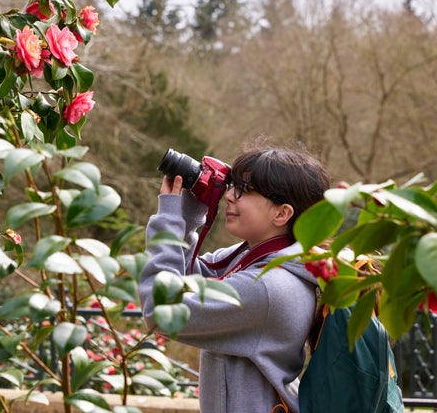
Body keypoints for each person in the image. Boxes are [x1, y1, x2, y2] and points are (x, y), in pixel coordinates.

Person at [138, 145, 331, 412]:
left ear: (282, 213)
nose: (229, 195)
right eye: (231, 185)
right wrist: (192, 209)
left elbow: (161, 310)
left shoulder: (268, 286)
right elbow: (186, 279)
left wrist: (169, 219)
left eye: (244, 190)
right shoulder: (254, 258)